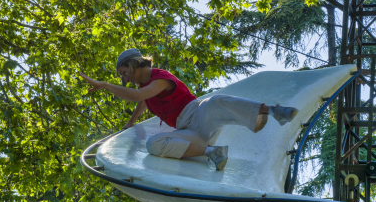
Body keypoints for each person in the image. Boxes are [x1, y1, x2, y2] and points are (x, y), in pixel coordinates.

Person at [79, 49, 298, 171]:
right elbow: (143, 101)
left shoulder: (160, 77)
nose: (122, 77)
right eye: (119, 76)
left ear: (134, 63)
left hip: (198, 113)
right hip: (191, 131)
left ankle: (272, 111)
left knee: (215, 101)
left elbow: (138, 97)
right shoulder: (145, 89)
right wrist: (131, 122)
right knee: (153, 144)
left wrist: (105, 86)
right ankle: (213, 152)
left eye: (123, 71)